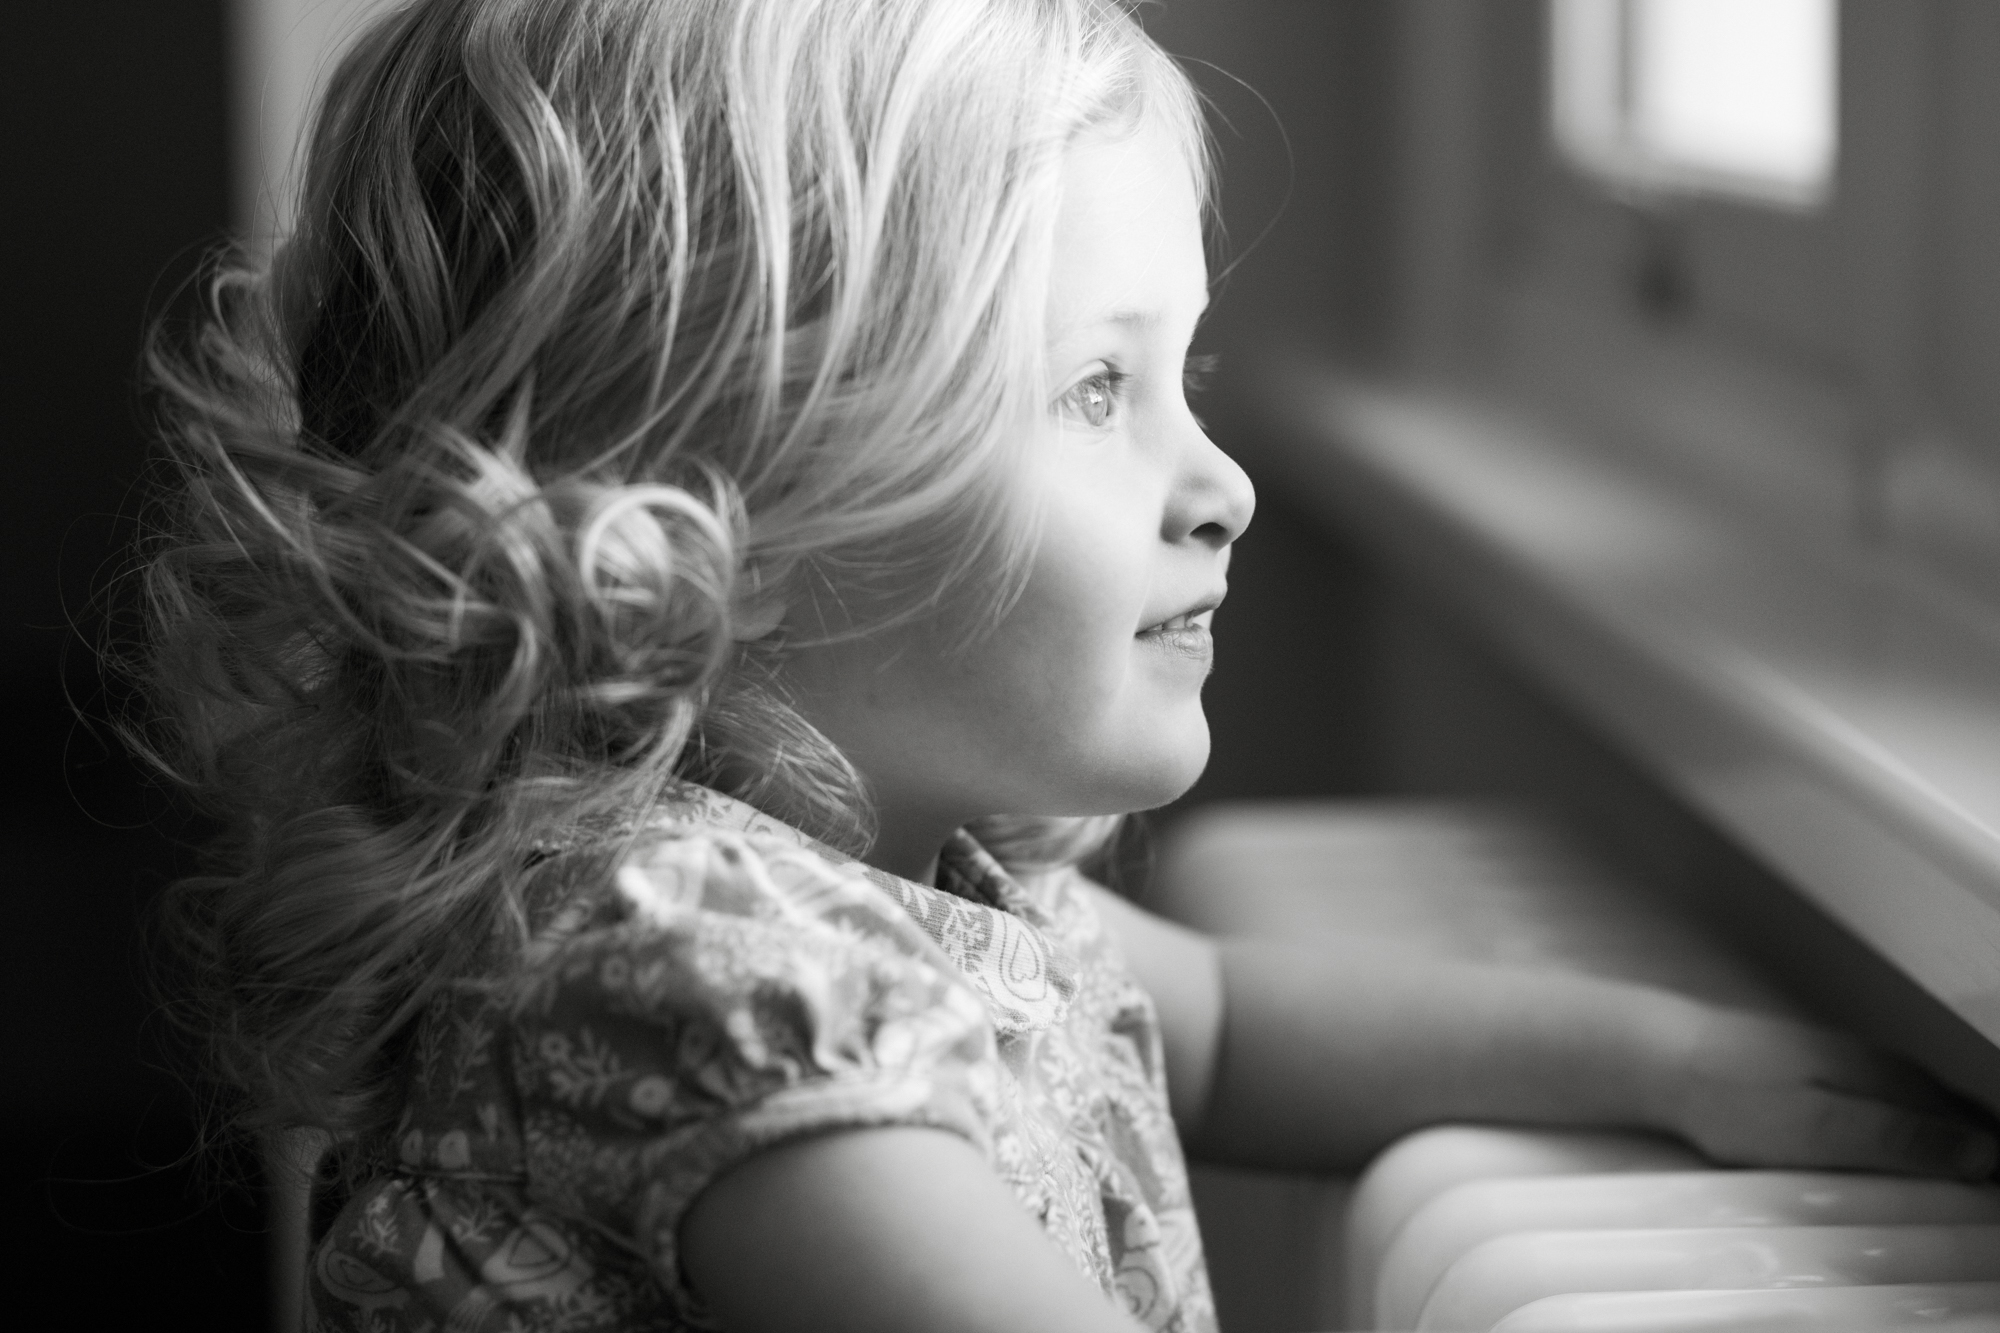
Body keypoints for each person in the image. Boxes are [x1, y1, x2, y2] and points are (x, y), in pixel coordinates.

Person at [130, 1, 1996, 1329]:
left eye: (1183, 376)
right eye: (1100, 388)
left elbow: (1239, 1030)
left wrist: (1674, 1063)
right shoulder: (687, 981)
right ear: (732, 513)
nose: (1222, 481)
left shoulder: (886, 876)